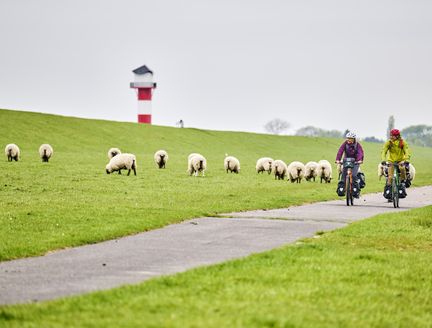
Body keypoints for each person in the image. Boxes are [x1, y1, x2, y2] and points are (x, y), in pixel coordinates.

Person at [381, 128, 411, 200]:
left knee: (402, 168)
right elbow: (383, 151)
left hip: (400, 161)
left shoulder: (402, 142)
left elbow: (407, 151)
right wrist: (383, 160)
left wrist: (406, 160)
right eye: (391, 135)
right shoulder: (389, 143)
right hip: (391, 161)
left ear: (397, 136)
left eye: (393, 136)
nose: (391, 137)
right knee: (390, 177)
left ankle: (402, 181)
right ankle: (389, 191)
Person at [335, 131, 364, 198]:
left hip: (355, 162)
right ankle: (342, 189)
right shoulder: (345, 144)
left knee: (353, 175)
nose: (348, 140)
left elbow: (360, 153)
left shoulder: (357, 145)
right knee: (343, 175)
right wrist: (338, 159)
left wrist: (359, 160)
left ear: (354, 139)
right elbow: (340, 151)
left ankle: (355, 191)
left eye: (350, 138)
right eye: (348, 138)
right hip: (346, 161)